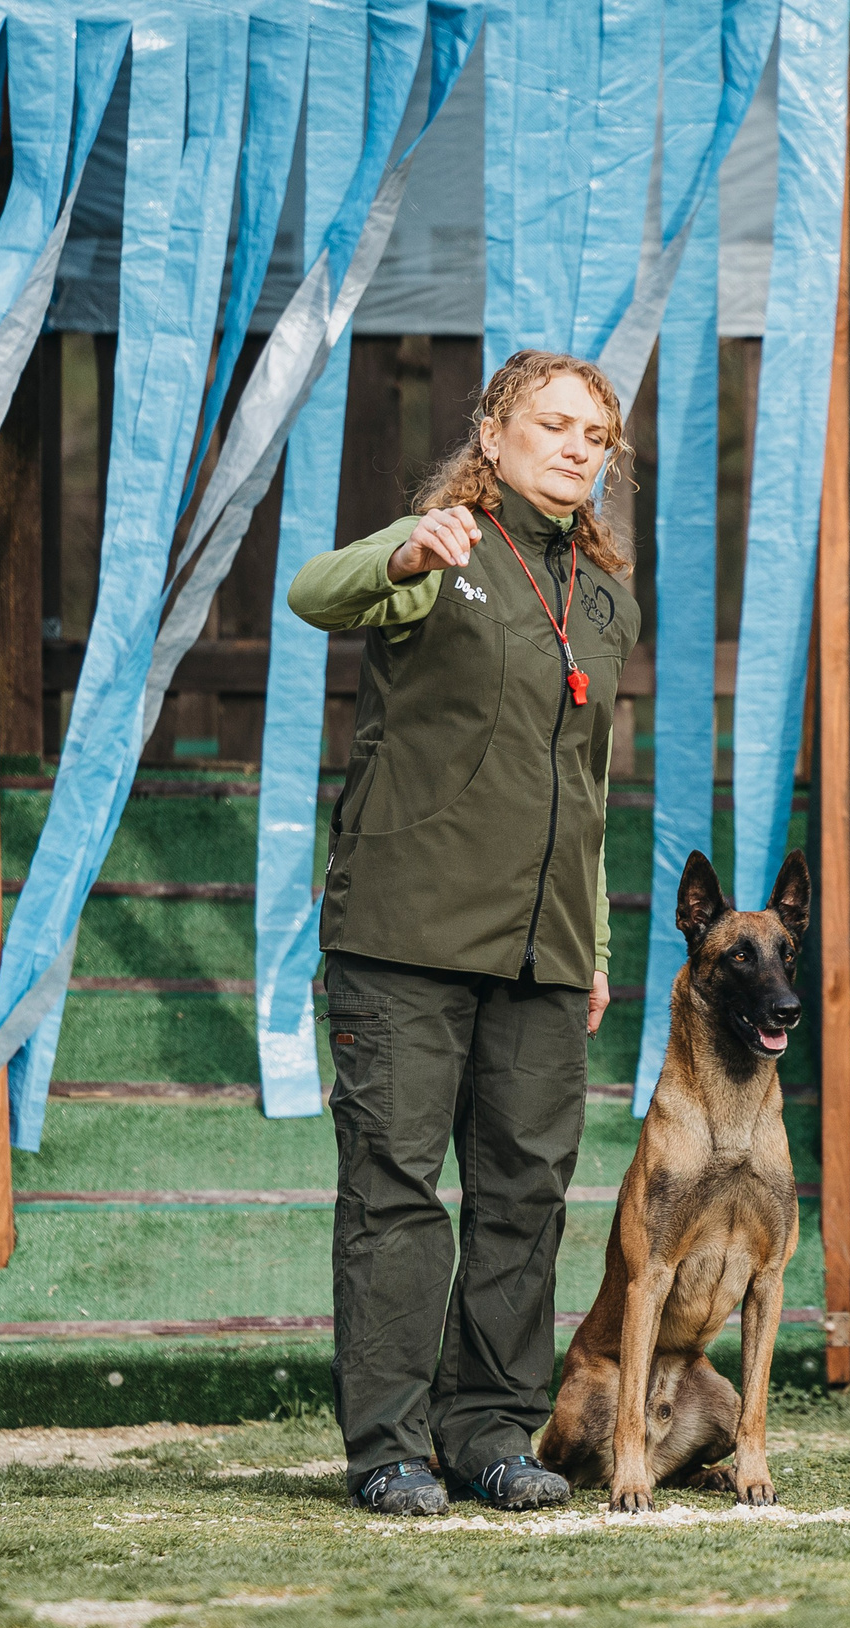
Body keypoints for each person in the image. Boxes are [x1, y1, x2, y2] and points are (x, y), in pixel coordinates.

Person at [287, 349, 640, 1514]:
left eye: (596, 433)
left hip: (541, 947)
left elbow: (586, 784)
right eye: (553, 423)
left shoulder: (603, 597)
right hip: (405, 933)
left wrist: (587, 945)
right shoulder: (440, 546)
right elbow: (315, 591)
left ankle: (490, 1433)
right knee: (393, 1190)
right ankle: (388, 1447)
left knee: (524, 1193)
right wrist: (402, 548)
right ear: (492, 434)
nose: (578, 446)